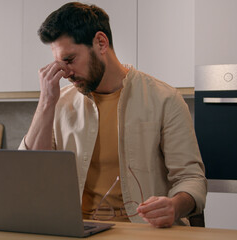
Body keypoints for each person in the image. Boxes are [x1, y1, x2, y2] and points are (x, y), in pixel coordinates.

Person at [19, 2, 206, 228]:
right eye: (60, 63)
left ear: (101, 42)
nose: (65, 73)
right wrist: (46, 102)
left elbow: (191, 178)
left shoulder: (165, 98)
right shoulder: (58, 103)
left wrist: (174, 206)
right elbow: (30, 176)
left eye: (69, 60)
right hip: (77, 228)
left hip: (143, 231)